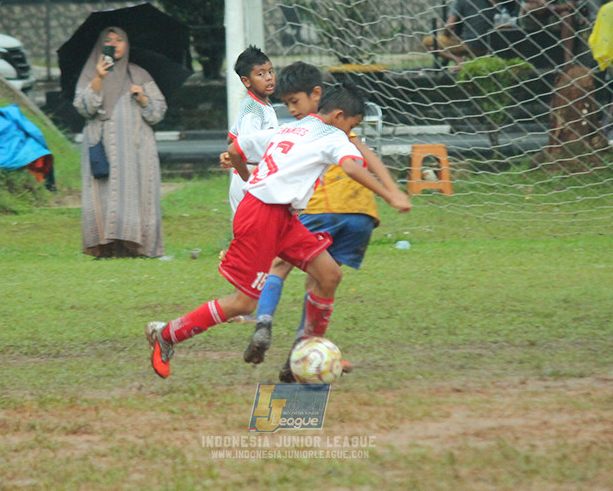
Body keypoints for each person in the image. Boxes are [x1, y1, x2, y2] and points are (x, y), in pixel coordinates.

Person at [144, 84, 412, 379]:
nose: (352, 132)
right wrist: (390, 195)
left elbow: (235, 150)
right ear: (339, 116)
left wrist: (250, 183)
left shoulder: (290, 128)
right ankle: (167, 334)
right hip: (262, 217)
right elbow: (350, 168)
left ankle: (303, 353)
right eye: (353, 125)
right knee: (243, 303)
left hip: (280, 216)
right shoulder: (335, 136)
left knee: (330, 275)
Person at [240, 62, 406, 382]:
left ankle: (267, 325)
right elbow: (369, 157)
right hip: (360, 213)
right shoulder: (339, 128)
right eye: (287, 104)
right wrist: (393, 192)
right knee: (322, 281)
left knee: (281, 267)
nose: (292, 110)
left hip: (319, 209)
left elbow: (348, 164)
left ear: (318, 96)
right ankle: (306, 350)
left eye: (295, 103)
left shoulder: (328, 126)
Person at [73, 27, 167, 258]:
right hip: (101, 148)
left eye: (119, 40)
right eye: (108, 40)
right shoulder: (90, 73)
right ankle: (106, 249)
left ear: (127, 45)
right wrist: (98, 79)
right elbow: (84, 109)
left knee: (138, 194)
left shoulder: (139, 75)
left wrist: (143, 98)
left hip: (136, 151)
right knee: (102, 195)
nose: (114, 44)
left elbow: (158, 113)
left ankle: (140, 248)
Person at [226, 46, 277, 216]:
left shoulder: (259, 105)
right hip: (248, 178)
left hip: (255, 178)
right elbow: (244, 146)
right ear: (246, 81)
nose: (269, 78)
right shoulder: (253, 110)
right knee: (248, 237)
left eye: (271, 71)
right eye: (261, 74)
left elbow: (231, 137)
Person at [421, 0, 493, 68]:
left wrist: (445, 34)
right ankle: (466, 59)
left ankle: (457, 59)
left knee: (428, 41)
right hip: (488, 43)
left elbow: (450, 25)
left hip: (470, 44)